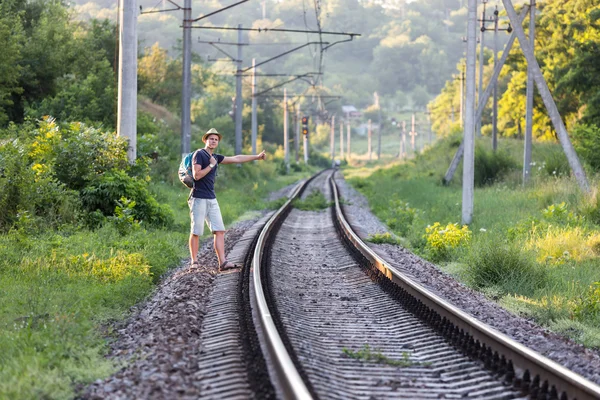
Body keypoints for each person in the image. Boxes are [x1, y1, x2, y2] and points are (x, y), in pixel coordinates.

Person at [189, 128, 266, 271]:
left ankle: (223, 262)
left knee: (220, 230)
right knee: (196, 231)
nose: (213, 141)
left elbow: (237, 158)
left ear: (218, 142)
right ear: (205, 140)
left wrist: (256, 157)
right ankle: (194, 262)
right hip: (198, 197)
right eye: (211, 138)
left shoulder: (216, 157)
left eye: (216, 139)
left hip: (211, 198)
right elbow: (197, 175)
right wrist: (211, 165)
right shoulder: (199, 154)